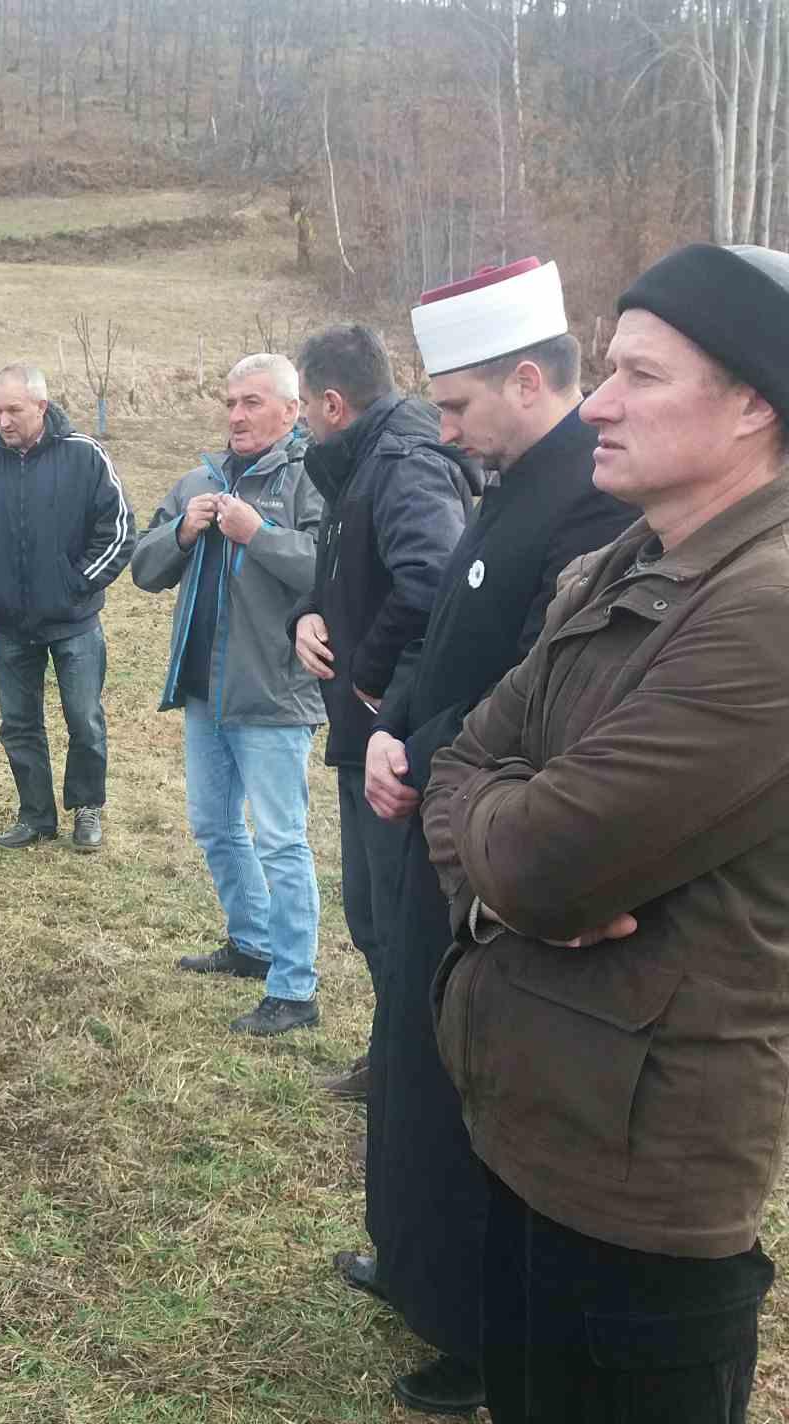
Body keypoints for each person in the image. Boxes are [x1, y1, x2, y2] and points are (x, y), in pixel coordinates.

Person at [423, 241, 789, 1424]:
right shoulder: (633, 561)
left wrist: (512, 848)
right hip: (537, 1117)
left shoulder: (766, 612)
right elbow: (471, 760)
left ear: (753, 401)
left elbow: (541, 866)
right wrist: (507, 835)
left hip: (644, 1171)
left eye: (637, 373)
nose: (597, 403)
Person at [331, 260, 635, 1417]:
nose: (441, 427)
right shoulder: (505, 484)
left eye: (454, 406)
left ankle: (470, 1326)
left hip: (483, 829)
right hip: (427, 802)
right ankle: (413, 1266)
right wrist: (388, 727)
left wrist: (430, 750)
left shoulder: (591, 505)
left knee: (465, 1073)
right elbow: (445, 637)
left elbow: (533, 678)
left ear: (525, 377)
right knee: (410, 1046)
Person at [289, 325, 474, 1090]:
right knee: (369, 910)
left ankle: (421, 1074)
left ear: (333, 403)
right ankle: (392, 1056)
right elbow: (350, 563)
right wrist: (308, 608)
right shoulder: (360, 461)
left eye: (301, 405)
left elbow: (433, 577)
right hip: (360, 728)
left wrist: (368, 676)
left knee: (398, 914)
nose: (299, 420)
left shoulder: (402, 464)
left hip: (396, 736)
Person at [131, 355, 326, 1038]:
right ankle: (252, 943)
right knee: (214, 824)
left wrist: (258, 534)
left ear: (291, 409)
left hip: (274, 692)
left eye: (251, 402)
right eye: (230, 403)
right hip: (205, 690)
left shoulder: (315, 478)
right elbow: (144, 568)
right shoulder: (199, 480)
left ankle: (296, 989)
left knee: (281, 840)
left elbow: (331, 570)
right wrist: (183, 531)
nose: (237, 416)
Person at [0, 363, 135, 850]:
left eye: (14, 410)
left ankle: (87, 808)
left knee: (84, 718)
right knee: (19, 725)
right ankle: (35, 815)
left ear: (41, 407)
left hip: (74, 622)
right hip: (10, 625)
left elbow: (117, 529)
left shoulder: (85, 457)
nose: (3, 420)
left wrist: (77, 584)